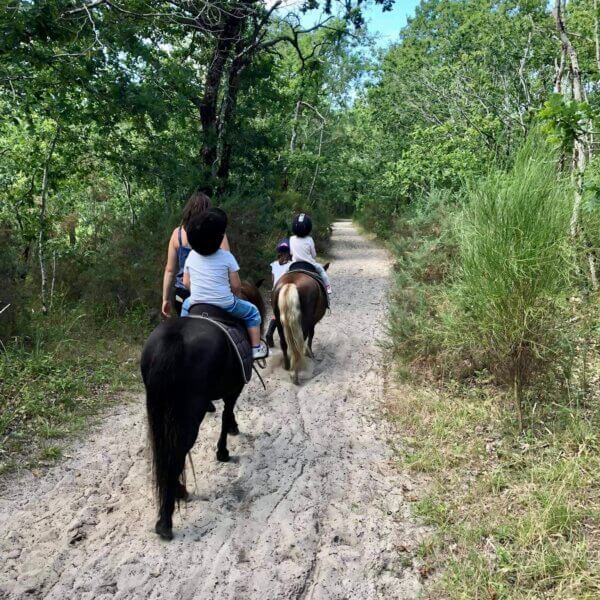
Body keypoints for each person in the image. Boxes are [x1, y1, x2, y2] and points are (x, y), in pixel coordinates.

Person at [182, 208, 268, 360]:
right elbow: (236, 286)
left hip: (196, 302)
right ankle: (256, 348)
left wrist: (197, 292)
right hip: (225, 303)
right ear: (219, 238)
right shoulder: (227, 257)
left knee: (185, 305)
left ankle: (182, 332)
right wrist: (234, 297)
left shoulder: (191, 256)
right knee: (253, 312)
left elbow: (186, 283)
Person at [161, 191, 230, 318]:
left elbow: (169, 270)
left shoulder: (177, 234)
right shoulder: (217, 231)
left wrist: (165, 299)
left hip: (182, 294)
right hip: (210, 292)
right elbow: (225, 265)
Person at [289, 213, 332, 294]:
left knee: (283, 273)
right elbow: (313, 255)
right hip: (309, 264)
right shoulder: (309, 239)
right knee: (322, 271)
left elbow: (291, 252)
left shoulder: (291, 239)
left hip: (294, 264)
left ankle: (274, 289)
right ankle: (328, 287)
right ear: (308, 227)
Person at [265, 238, 292, 347]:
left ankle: (269, 333)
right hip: (285, 292)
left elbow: (273, 281)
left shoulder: (274, 264)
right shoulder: (291, 264)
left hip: (274, 293)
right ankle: (287, 339)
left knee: (277, 314)